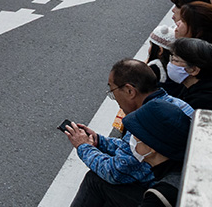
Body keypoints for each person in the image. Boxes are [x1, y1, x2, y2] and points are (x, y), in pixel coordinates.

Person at [65, 60, 194, 207]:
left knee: (95, 180)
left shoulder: (147, 124)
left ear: (130, 91)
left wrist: (83, 146)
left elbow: (114, 172)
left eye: (113, 92)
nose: (115, 100)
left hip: (160, 190)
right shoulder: (178, 106)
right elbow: (130, 147)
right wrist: (100, 141)